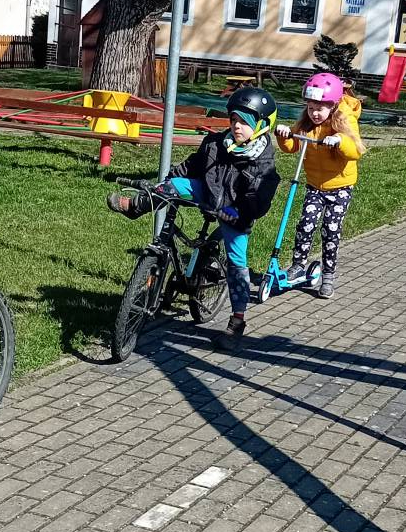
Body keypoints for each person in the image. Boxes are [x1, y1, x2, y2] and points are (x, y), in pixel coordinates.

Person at [107, 85, 280, 347]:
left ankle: (237, 320)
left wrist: (233, 213)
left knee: (237, 263)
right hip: (207, 193)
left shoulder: (263, 165)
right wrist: (166, 182)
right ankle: (136, 206)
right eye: (233, 119)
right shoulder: (215, 144)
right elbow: (192, 166)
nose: (236, 126)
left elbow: (257, 202)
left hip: (235, 212)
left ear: (262, 125)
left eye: (245, 122)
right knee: (172, 187)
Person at [274, 71, 364, 299]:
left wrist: (340, 140)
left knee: (330, 230)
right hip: (315, 185)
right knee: (306, 224)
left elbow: (355, 151)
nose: (314, 113)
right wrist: (284, 135)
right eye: (311, 107)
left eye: (320, 109)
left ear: (332, 106)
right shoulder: (306, 123)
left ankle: (329, 275)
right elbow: (291, 146)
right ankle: (298, 264)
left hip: (340, 187)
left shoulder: (345, 120)